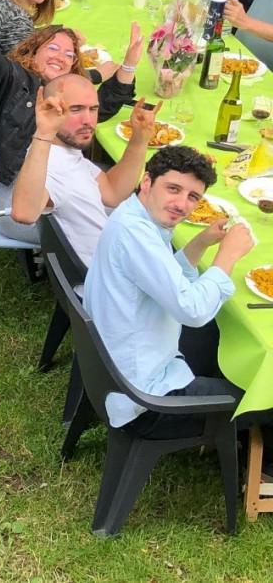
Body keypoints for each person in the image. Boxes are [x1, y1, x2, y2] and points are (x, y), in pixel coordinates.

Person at [0, 0, 139, 243]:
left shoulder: (61, 91)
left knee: (128, 203)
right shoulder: (13, 80)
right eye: (53, 48)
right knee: (119, 223)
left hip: (53, 184)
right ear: (34, 51)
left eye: (69, 54)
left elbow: (101, 108)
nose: (61, 57)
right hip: (11, 199)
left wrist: (128, 65)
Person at [85, 145, 255, 435]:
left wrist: (199, 243)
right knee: (262, 400)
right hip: (145, 400)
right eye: (173, 189)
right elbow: (193, 311)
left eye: (193, 197)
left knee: (221, 333)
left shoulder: (136, 216)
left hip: (120, 366)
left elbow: (163, 278)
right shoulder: (136, 235)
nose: (182, 204)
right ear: (148, 181)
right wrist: (227, 256)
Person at [10, 74, 157, 269]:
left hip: (116, 262)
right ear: (49, 109)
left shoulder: (67, 152)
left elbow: (113, 193)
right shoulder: (48, 163)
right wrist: (43, 133)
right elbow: (23, 213)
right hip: (110, 280)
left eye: (93, 109)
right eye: (76, 109)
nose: (88, 120)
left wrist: (139, 138)